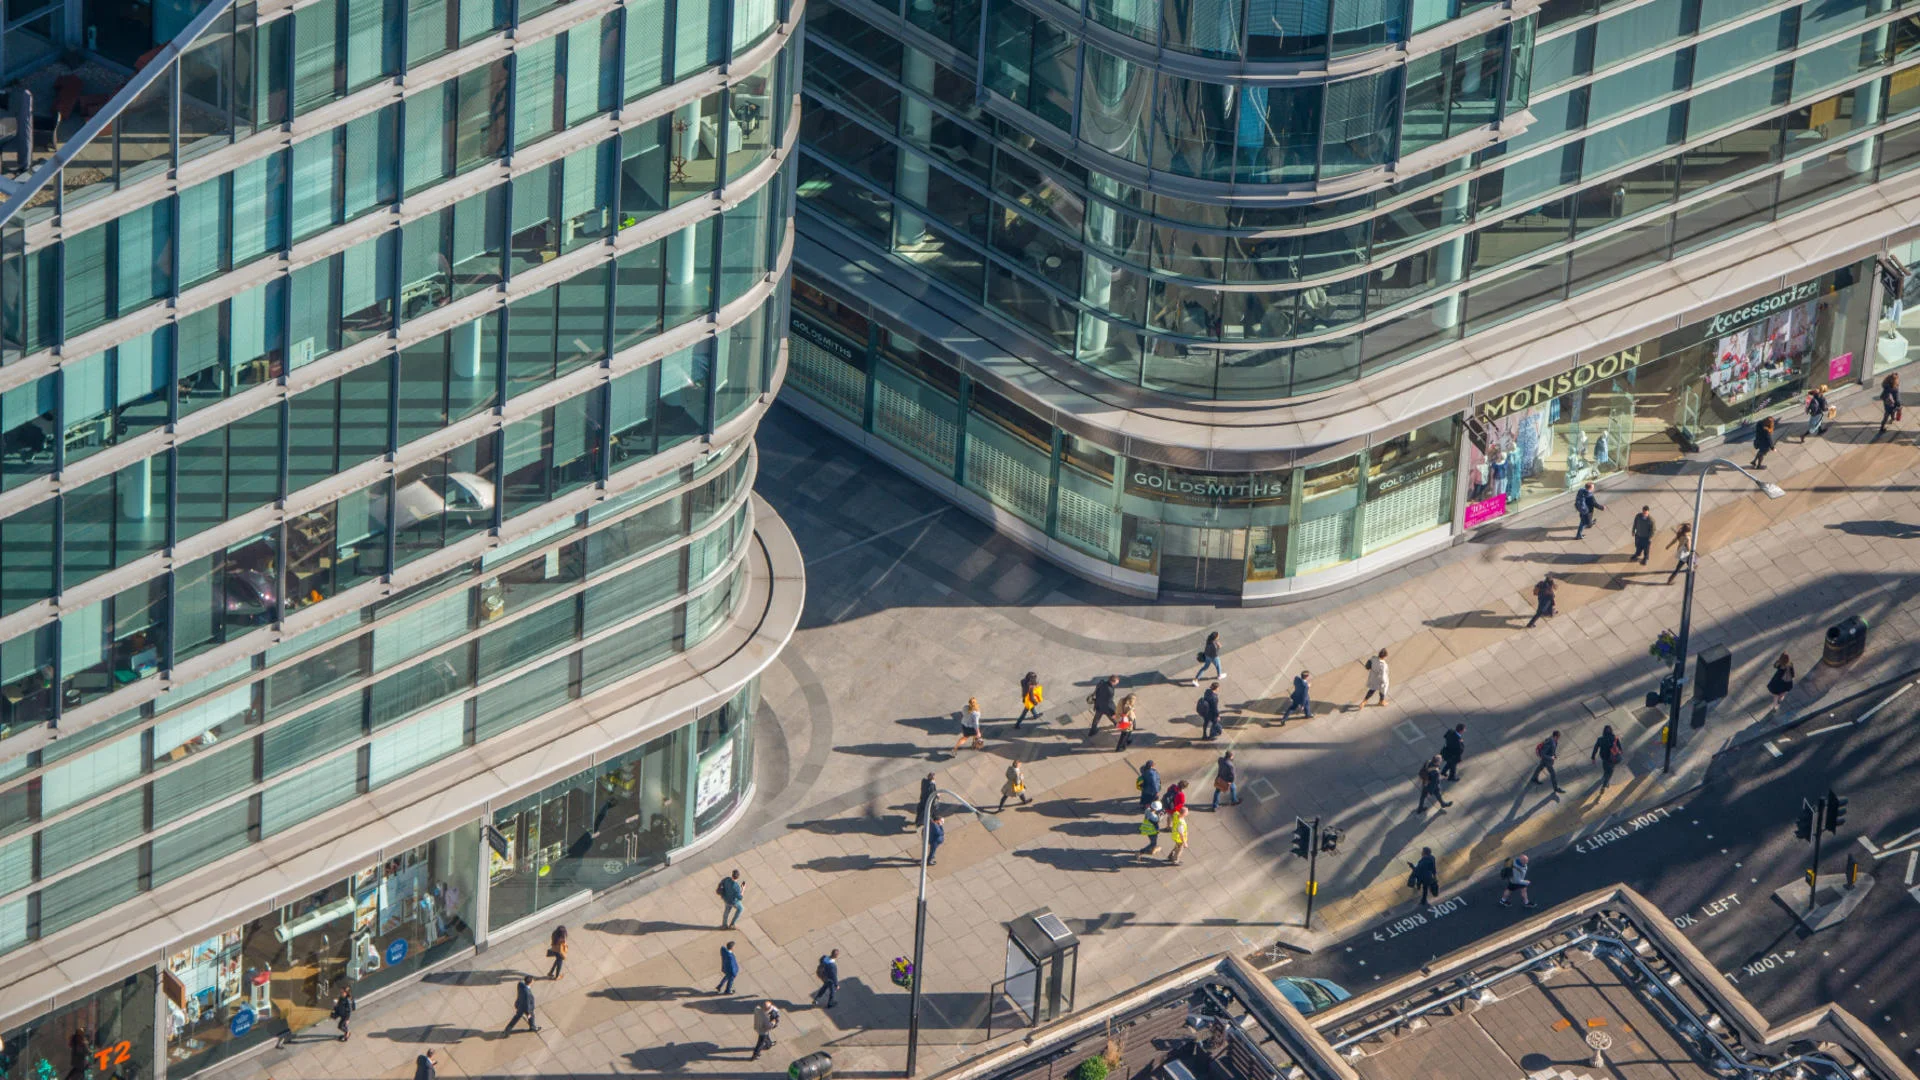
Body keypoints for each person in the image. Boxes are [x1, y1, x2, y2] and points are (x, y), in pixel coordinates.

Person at [1591, 725, 1623, 792]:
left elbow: (1595, 749)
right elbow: (1619, 747)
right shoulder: (1614, 738)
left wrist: (1593, 757)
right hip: (1613, 759)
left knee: (1606, 770)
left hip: (1604, 758)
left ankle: (1605, 778)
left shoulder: (1600, 739)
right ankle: (1604, 785)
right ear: (1611, 731)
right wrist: (1619, 752)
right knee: (1610, 772)